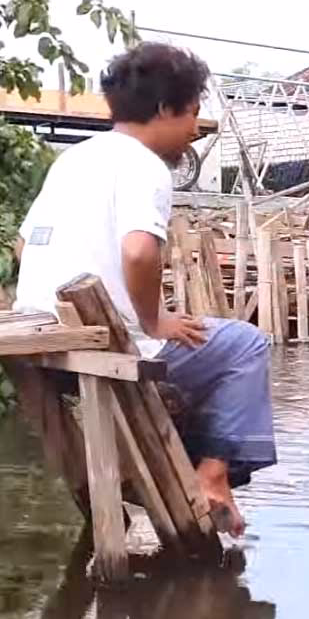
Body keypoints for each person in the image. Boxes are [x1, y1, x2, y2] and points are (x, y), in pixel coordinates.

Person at [11, 41, 276, 537]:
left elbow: (23, 247)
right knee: (245, 345)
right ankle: (212, 477)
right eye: (192, 113)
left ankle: (179, 478)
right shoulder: (144, 165)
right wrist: (153, 321)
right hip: (99, 342)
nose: (194, 129)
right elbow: (138, 252)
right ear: (164, 109)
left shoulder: (74, 159)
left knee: (198, 360)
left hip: (45, 334)